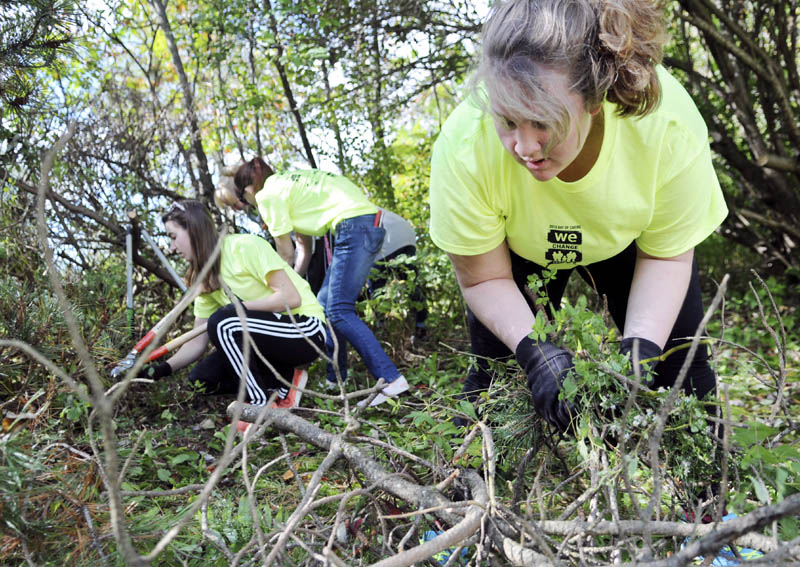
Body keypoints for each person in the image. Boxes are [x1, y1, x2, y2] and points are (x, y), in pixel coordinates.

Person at [429, 0, 727, 432]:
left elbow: (666, 258)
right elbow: (483, 278)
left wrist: (641, 350)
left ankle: (712, 498)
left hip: (626, 241)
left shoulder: (666, 128)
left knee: (680, 371)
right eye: (507, 121)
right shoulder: (464, 147)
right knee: (496, 374)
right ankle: (471, 491)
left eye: (542, 122)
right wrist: (536, 352)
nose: (525, 148)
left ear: (593, 98)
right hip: (519, 249)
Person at [227, 161, 408, 407]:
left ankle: (390, 379)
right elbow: (304, 248)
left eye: (245, 199)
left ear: (249, 189)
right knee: (324, 304)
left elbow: (285, 254)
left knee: (339, 310)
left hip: (352, 226)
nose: (250, 204)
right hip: (364, 221)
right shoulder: (288, 184)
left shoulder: (267, 195)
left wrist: (276, 291)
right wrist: (294, 282)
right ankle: (336, 380)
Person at [138, 200, 327, 409]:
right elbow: (197, 341)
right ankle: (284, 382)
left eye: (174, 237)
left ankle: (258, 404)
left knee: (222, 321)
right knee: (201, 379)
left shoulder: (243, 247)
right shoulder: (206, 278)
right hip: (268, 341)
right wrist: (162, 369)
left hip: (304, 329)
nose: (172, 247)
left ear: (193, 230)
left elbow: (290, 298)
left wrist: (240, 308)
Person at [366, 209, 428, 339]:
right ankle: (421, 325)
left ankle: (381, 328)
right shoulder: (369, 208)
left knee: (377, 284)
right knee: (411, 282)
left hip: (387, 240)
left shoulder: (351, 212)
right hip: (407, 236)